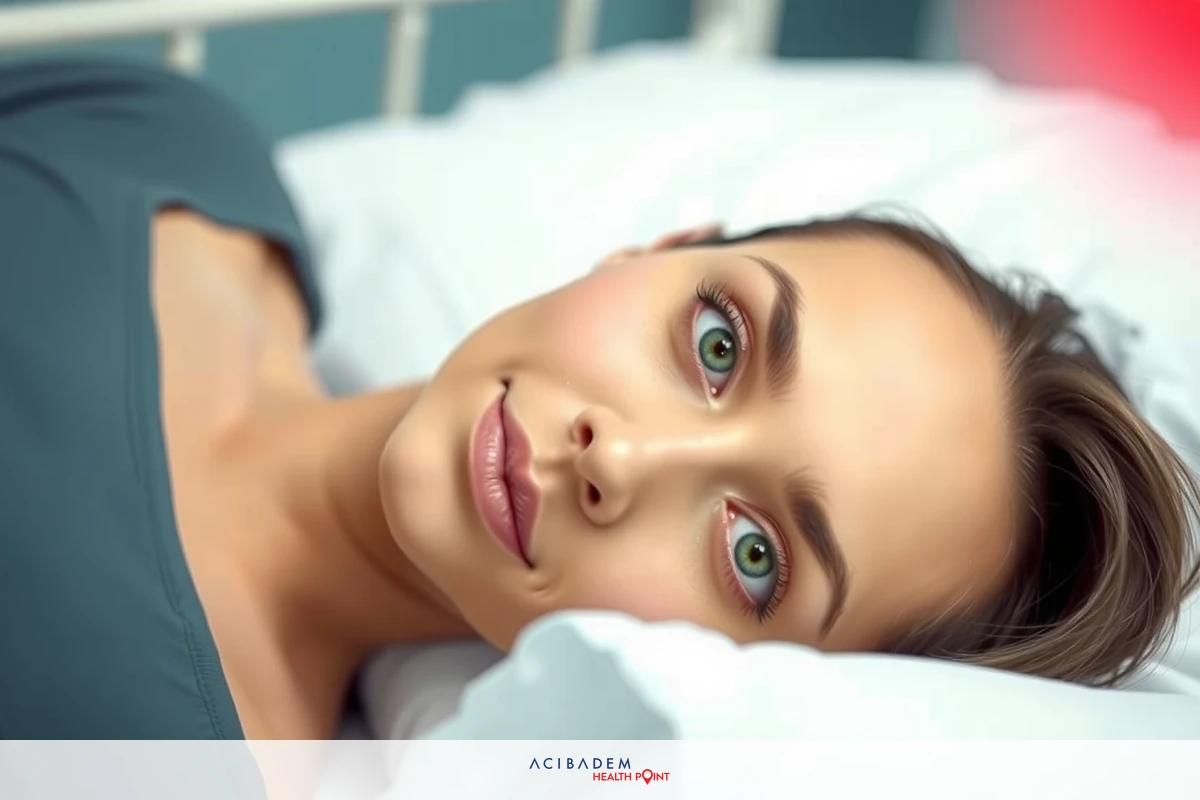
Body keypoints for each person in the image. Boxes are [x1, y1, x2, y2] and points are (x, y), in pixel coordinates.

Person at [0, 59, 1196, 741]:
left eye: (754, 553)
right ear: (656, 251)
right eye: (718, 342)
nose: (620, 459)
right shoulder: (156, 147)